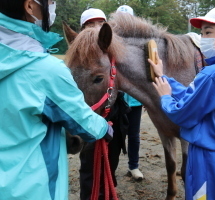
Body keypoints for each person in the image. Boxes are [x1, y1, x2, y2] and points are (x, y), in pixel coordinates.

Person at [0, 0, 113, 200]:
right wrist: (105, 128)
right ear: (29, 6)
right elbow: (83, 122)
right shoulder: (45, 70)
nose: (53, 5)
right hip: (32, 188)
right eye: (50, 1)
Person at [148, 6, 215, 200]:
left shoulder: (213, 74)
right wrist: (165, 78)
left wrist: (165, 97)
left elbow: (183, 114)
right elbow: (193, 96)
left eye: (208, 32)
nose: (202, 38)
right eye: (202, 32)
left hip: (207, 159)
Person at [78, 8, 131, 200]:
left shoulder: (115, 51)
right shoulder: (81, 55)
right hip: (90, 114)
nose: (95, 29)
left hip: (115, 114)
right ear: (82, 29)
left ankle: (108, 191)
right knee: (89, 164)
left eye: (100, 24)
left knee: (111, 160)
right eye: (90, 25)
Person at [116, 5, 144, 180]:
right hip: (116, 98)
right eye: (121, 19)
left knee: (134, 135)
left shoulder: (140, 42)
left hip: (135, 99)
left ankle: (134, 166)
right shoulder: (109, 39)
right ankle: (109, 166)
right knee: (115, 135)